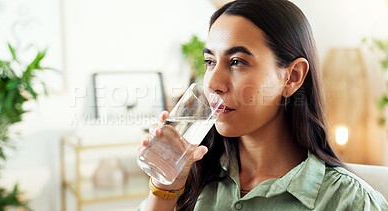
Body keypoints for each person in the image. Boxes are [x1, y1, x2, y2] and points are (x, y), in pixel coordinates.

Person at [137, 0, 388, 210]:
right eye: (210, 61)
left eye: (236, 62)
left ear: (293, 77)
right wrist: (165, 186)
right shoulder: (191, 181)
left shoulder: (349, 201)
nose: (213, 83)